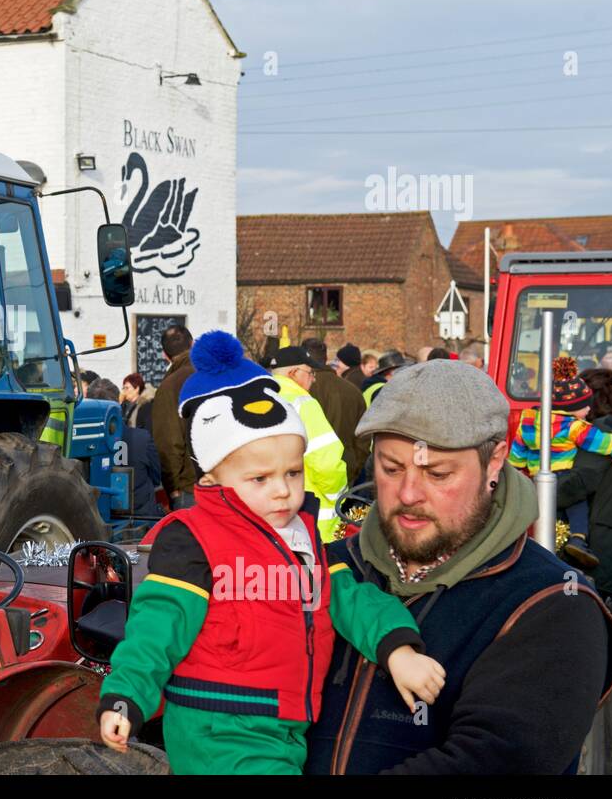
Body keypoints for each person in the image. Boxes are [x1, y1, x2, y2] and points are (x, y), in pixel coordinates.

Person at [97, 331, 444, 774]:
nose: (282, 490)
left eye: (293, 473)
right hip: (219, 725)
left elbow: (349, 597)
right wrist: (126, 697)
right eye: (260, 479)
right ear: (214, 478)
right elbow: (157, 626)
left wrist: (398, 649)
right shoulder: (193, 538)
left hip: (286, 725)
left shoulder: (300, 536)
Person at [306, 359, 612, 774]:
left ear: (494, 464)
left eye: (437, 473)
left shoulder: (553, 602)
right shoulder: (328, 569)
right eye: (390, 468)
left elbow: (493, 761)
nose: (408, 493)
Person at [507, 357, 612, 568]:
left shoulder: (529, 421)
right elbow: (603, 443)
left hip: (537, 475)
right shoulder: (575, 427)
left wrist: (516, 467)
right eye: (583, 407)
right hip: (561, 473)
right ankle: (578, 539)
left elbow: (517, 451)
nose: (587, 411)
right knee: (577, 507)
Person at [267, 345, 348, 541]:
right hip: (311, 516)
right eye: (310, 373)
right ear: (294, 373)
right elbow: (325, 461)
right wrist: (338, 495)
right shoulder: (304, 404)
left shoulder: (261, 398)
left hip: (270, 511)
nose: (313, 378)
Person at [90, 378, 163, 519]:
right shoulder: (142, 438)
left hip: (97, 521)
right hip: (141, 519)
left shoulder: (81, 446)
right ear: (118, 402)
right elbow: (156, 477)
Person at [302, 338, 371, 483]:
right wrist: (355, 466)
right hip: (345, 469)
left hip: (307, 472)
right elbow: (364, 436)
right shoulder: (353, 391)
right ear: (326, 358)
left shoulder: (299, 391)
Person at [150, 324, 197, 509]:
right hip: (229, 483)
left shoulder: (170, 385)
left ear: (164, 355)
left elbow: (168, 443)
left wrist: (173, 488)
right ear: (192, 344)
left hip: (190, 488)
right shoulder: (219, 374)